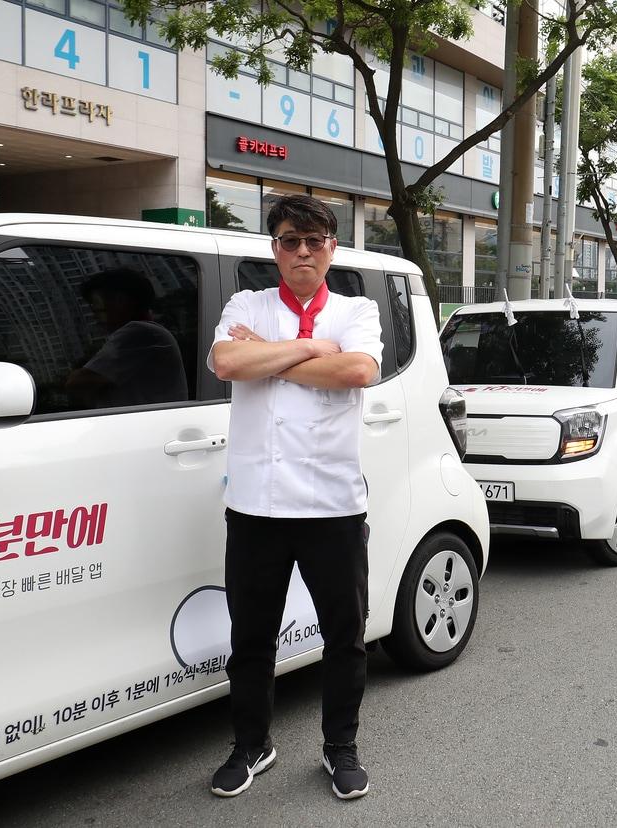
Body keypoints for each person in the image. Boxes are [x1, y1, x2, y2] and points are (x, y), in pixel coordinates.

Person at [206, 194, 383, 801]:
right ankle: (250, 746)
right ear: (274, 249)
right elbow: (228, 362)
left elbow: (357, 373)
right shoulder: (245, 304)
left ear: (332, 248)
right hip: (255, 504)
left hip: (333, 503)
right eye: (289, 240)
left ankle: (340, 749)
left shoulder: (357, 309)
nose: (301, 251)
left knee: (345, 636)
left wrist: (270, 358)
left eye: (313, 241)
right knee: (250, 637)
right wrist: (312, 349)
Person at [66, 267, 188, 409]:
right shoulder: (150, 333)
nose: (95, 317)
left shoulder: (140, 332)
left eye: (98, 307)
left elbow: (76, 383)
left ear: (121, 301)